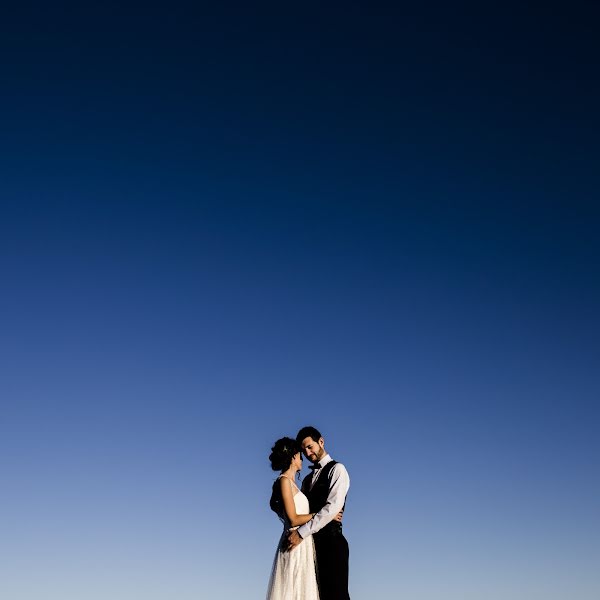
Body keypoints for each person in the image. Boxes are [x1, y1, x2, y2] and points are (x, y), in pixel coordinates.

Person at [287, 426, 351, 600]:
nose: (307, 453)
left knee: (336, 595)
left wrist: (301, 533)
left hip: (332, 543)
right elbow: (304, 511)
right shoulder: (307, 480)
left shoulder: (338, 470)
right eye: (304, 450)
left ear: (321, 442)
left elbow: (333, 507)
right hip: (311, 546)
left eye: (310, 447)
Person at [266, 437, 320, 600]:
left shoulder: (293, 484)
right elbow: (294, 518)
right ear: (293, 457)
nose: (302, 459)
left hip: (302, 542)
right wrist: (322, 515)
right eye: (300, 456)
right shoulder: (284, 481)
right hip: (294, 543)